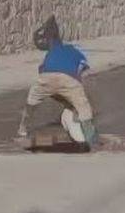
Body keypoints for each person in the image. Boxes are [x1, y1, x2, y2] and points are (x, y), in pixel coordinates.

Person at [18, 16, 99, 150]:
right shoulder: (77, 52)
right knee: (84, 108)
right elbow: (83, 71)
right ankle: (91, 139)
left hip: (46, 76)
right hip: (68, 78)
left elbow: (41, 69)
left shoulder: (53, 51)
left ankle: (22, 129)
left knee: (31, 103)